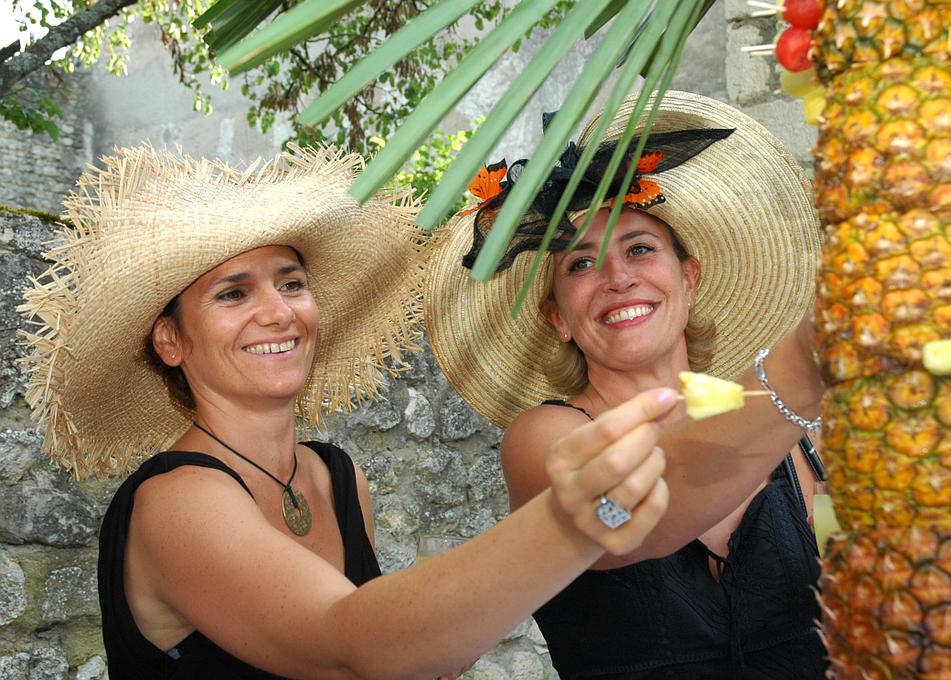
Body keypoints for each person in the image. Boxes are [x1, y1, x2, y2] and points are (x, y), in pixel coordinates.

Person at [17, 144, 675, 679]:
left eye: (292, 283)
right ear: (170, 341)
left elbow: (382, 651)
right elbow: (348, 642)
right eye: (233, 292)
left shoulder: (336, 475)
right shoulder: (175, 501)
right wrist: (566, 524)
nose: (279, 311)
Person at [426, 91, 829, 678]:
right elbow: (627, 525)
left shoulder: (788, 436)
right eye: (581, 265)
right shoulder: (547, 437)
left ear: (688, 279)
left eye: (639, 248)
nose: (618, 278)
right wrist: (800, 373)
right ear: (558, 317)